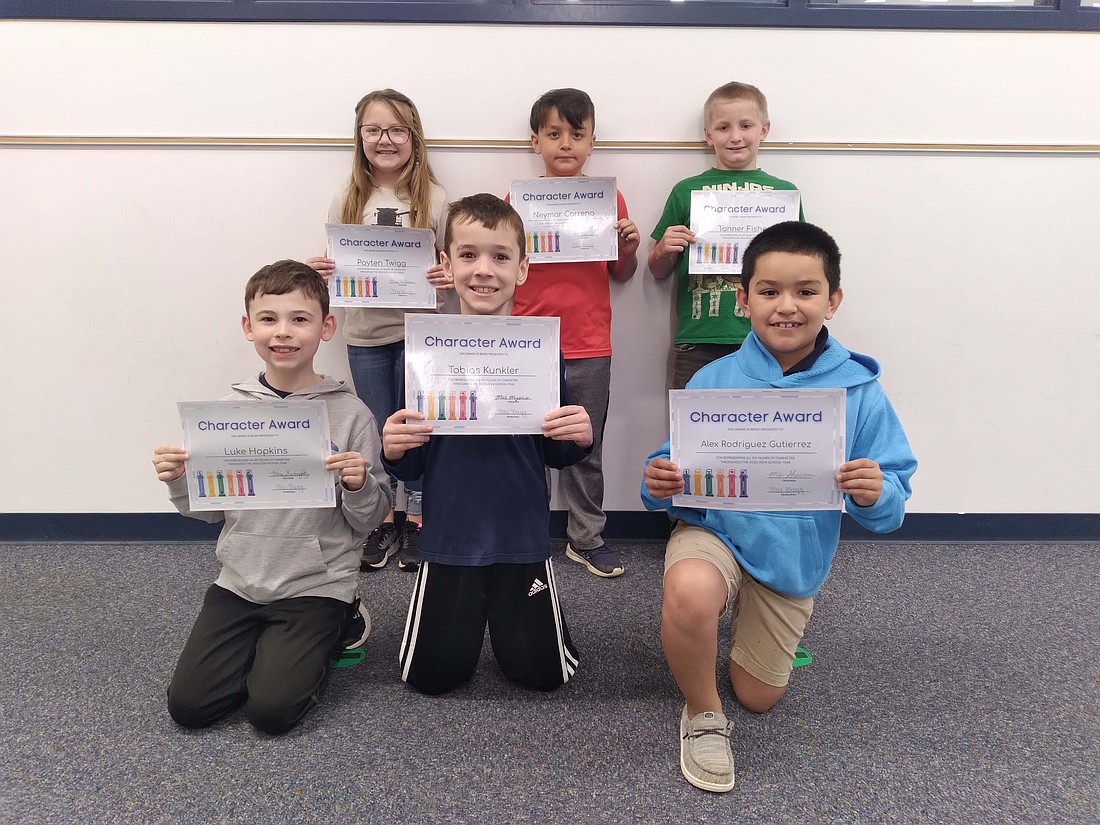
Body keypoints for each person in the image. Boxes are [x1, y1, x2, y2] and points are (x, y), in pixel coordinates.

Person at [641, 222, 917, 792]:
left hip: (792, 557)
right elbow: (669, 473)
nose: (786, 306)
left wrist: (875, 492)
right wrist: (658, 481)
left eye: (806, 291)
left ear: (833, 301)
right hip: (715, 531)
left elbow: (890, 504)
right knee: (691, 591)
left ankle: (752, 624)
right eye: (768, 291)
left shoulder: (859, 392)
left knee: (759, 697)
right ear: (743, 301)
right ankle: (702, 715)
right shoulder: (713, 379)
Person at [152, 261, 391, 735]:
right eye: (268, 319)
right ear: (248, 327)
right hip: (241, 580)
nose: (283, 332)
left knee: (272, 713)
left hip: (316, 583)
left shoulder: (350, 414)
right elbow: (210, 513)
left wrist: (359, 485)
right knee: (190, 707)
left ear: (326, 328)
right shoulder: (225, 414)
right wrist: (179, 479)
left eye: (299, 319)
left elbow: (372, 518)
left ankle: (341, 623)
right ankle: (272, 649)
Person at [382, 193, 592, 695]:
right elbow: (411, 467)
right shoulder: (419, 354)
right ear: (445, 264)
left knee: (543, 678)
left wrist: (578, 438)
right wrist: (393, 448)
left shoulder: (541, 351)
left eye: (500, 256)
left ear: (523, 268)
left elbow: (556, 451)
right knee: (432, 680)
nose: (483, 270)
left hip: (520, 532)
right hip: (450, 533)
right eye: (468, 254)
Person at [307, 89, 447, 572]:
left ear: (414, 137)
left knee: (416, 430)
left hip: (421, 336)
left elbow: (452, 268)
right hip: (365, 335)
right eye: (374, 130)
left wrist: (445, 277)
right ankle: (384, 518)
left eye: (396, 130)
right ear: (360, 137)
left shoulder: (437, 198)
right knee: (376, 426)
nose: (385, 139)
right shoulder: (347, 198)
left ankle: (420, 519)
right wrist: (324, 271)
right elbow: (336, 263)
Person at [517, 88, 639, 578]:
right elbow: (503, 270)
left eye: (576, 134)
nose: (565, 144)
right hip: (527, 343)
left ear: (592, 142)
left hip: (589, 342)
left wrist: (628, 247)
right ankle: (525, 531)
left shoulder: (610, 198)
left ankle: (586, 537)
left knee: (587, 444)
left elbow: (622, 274)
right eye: (553, 134)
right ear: (535, 143)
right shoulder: (515, 202)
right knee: (525, 441)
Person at [648, 81, 803, 390]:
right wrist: (665, 249)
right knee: (690, 434)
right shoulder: (685, 191)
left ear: (764, 130)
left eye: (746, 125)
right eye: (722, 128)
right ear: (708, 135)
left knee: (767, 432)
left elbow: (801, 267)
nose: (735, 137)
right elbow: (657, 269)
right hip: (699, 337)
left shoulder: (784, 194)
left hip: (771, 337)